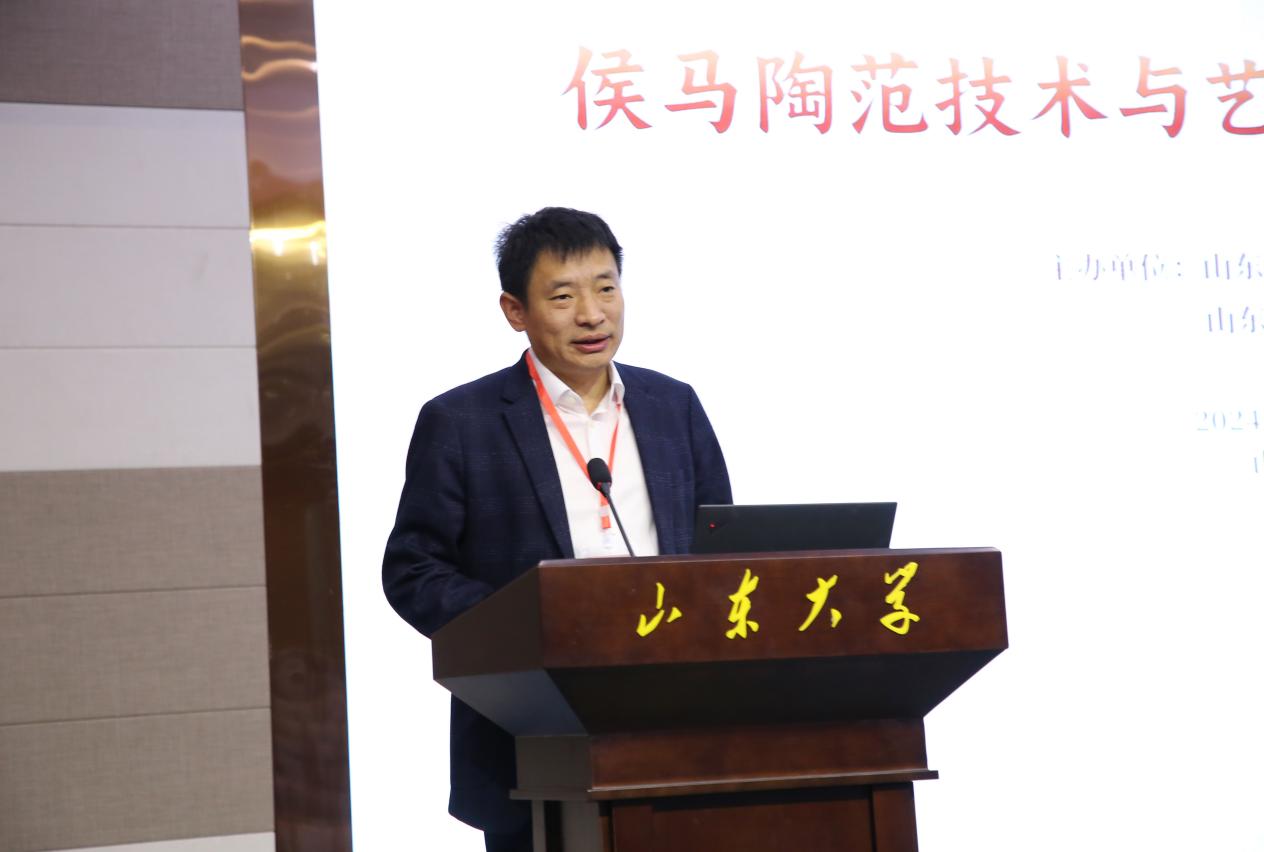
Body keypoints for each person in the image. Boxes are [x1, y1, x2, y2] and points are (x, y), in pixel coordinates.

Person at [382, 207, 732, 852]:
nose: (592, 315)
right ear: (515, 311)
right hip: (530, 735)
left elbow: (720, 548)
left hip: (674, 720)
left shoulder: (673, 405)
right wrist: (526, 626)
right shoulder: (461, 421)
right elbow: (414, 569)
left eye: (606, 288)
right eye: (564, 296)